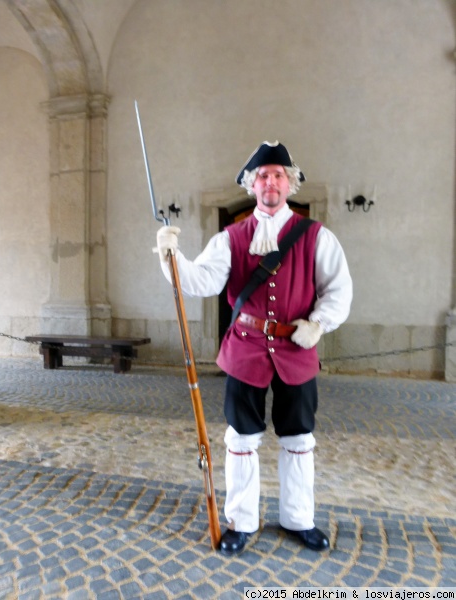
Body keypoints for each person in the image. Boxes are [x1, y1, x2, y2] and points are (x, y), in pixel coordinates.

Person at [155, 141, 353, 555]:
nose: (271, 182)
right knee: (242, 436)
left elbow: (339, 289)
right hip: (245, 347)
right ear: (251, 184)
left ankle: (298, 518)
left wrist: (317, 324)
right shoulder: (230, 237)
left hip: (296, 349)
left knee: (299, 436)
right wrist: (170, 256)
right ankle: (241, 520)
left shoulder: (317, 236)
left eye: (278, 174)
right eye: (262, 175)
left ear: (290, 183)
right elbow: (202, 281)